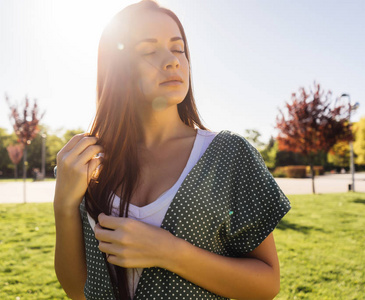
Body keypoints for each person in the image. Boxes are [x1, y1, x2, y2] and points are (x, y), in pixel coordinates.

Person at [53, 1, 291, 299]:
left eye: (178, 48)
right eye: (149, 51)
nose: (172, 61)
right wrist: (62, 205)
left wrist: (170, 253)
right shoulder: (85, 161)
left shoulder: (229, 155)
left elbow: (267, 285)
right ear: (117, 68)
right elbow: (78, 291)